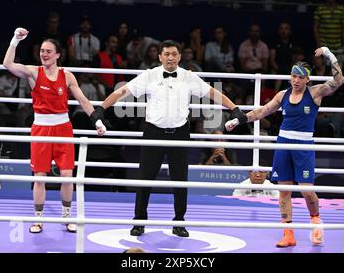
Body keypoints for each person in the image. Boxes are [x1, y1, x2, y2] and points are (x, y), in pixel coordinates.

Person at [90, 40, 245, 238]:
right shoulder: (149, 75)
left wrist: (235, 109)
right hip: (153, 133)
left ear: (179, 57)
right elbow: (122, 91)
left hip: (180, 133)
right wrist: (102, 108)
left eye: (174, 54)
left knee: (180, 180)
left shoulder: (189, 77)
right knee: (145, 178)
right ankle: (139, 221)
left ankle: (179, 222)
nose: (170, 57)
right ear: (160, 56)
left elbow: (213, 93)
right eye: (167, 54)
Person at [225, 47, 344, 247]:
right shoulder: (283, 94)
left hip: (304, 145)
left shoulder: (315, 93)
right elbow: (263, 111)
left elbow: (338, 81)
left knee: (306, 190)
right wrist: (239, 120)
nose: (296, 80)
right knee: (284, 191)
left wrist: (329, 55)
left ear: (307, 79)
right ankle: (288, 233)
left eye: (300, 77)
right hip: (283, 143)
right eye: (293, 76)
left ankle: (315, 220)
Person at [3, 28, 104, 234]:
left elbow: (83, 100)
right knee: (39, 176)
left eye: (49, 51)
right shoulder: (33, 72)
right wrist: (15, 40)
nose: (44, 54)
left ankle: (67, 217)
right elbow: (8, 64)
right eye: (42, 51)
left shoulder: (67, 76)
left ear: (58, 54)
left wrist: (97, 120)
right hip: (41, 128)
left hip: (63, 128)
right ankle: (38, 219)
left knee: (67, 175)